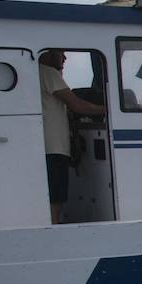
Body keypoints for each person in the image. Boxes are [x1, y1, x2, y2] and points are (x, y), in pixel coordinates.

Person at [38, 49, 105, 224]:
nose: (65, 58)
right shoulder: (48, 73)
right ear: (49, 54)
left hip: (47, 147)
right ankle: (53, 234)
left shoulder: (37, 73)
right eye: (61, 53)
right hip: (55, 147)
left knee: (51, 197)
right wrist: (110, 110)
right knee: (56, 200)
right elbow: (76, 105)